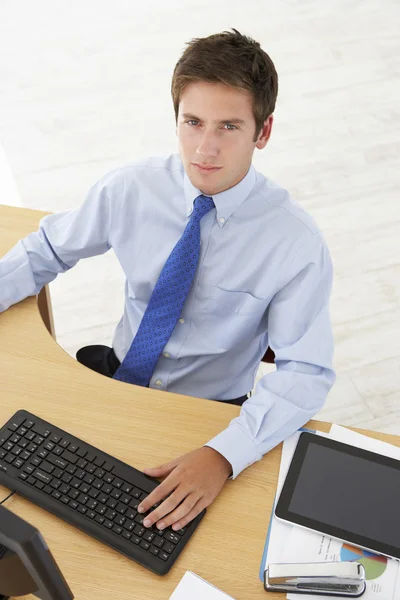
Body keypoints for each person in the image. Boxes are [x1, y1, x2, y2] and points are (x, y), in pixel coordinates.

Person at [0, 28, 336, 535]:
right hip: (112, 382)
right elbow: (46, 248)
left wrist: (223, 456)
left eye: (229, 126)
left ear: (262, 132)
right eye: (193, 122)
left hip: (206, 416)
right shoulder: (132, 187)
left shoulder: (295, 244)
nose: (205, 147)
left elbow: (306, 372)